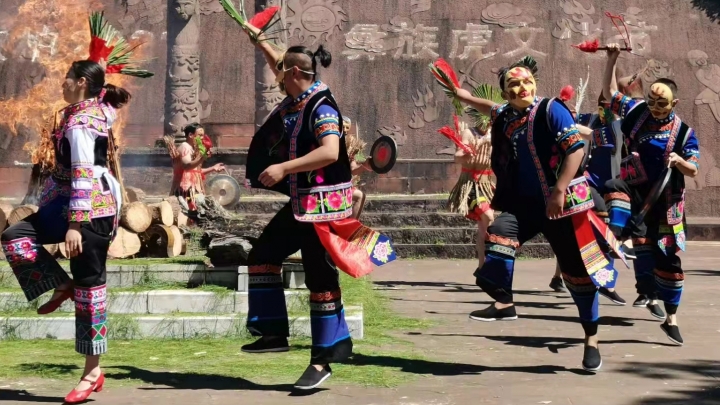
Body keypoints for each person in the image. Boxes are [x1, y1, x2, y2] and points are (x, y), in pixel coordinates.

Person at [239, 24, 396, 389]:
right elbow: (279, 60)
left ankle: (323, 360)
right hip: (302, 204)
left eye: (282, 70)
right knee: (262, 256)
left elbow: (329, 151)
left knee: (320, 280)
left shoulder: (321, 107)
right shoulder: (298, 94)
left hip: (324, 209)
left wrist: (283, 168)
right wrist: (259, 40)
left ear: (295, 73)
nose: (276, 74)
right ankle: (272, 333)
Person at [453, 56, 612, 372]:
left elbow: (575, 150)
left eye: (526, 81)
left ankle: (591, 340)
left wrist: (559, 190)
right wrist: (462, 95)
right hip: (525, 206)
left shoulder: (552, 109)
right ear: (506, 93)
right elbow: (488, 106)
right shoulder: (506, 115)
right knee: (498, 234)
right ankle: (505, 303)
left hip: (560, 206)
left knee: (578, 277)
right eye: (513, 84)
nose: (522, 87)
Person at [1, 61, 129, 402]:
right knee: (15, 236)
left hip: (92, 211)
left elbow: (84, 172)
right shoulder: (95, 111)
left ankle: (92, 372)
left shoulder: (82, 123)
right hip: (66, 203)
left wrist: (75, 225)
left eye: (67, 78)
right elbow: (108, 104)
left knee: (90, 287)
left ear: (82, 83)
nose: (62, 83)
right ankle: (61, 283)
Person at [602, 44, 700, 345]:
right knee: (614, 189)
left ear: (675, 103)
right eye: (652, 101)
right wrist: (612, 59)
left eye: (662, 104)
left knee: (666, 258)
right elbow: (610, 93)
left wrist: (680, 161)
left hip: (666, 202)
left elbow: (693, 169)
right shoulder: (636, 112)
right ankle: (618, 238)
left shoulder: (684, 133)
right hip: (633, 191)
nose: (655, 108)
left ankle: (671, 318)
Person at [448, 121, 494, 268]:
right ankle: (484, 267)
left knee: (485, 226)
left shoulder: (495, 134)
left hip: (486, 186)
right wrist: (473, 148)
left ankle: (482, 268)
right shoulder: (468, 133)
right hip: (471, 185)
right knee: (488, 216)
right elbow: (457, 157)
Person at [169, 122, 225, 216]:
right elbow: (187, 166)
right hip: (184, 191)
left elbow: (195, 171)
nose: (202, 138)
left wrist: (213, 168)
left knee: (200, 213)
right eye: (200, 135)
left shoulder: (193, 149)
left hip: (193, 191)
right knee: (189, 214)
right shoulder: (185, 147)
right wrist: (202, 157)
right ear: (191, 135)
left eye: (203, 135)